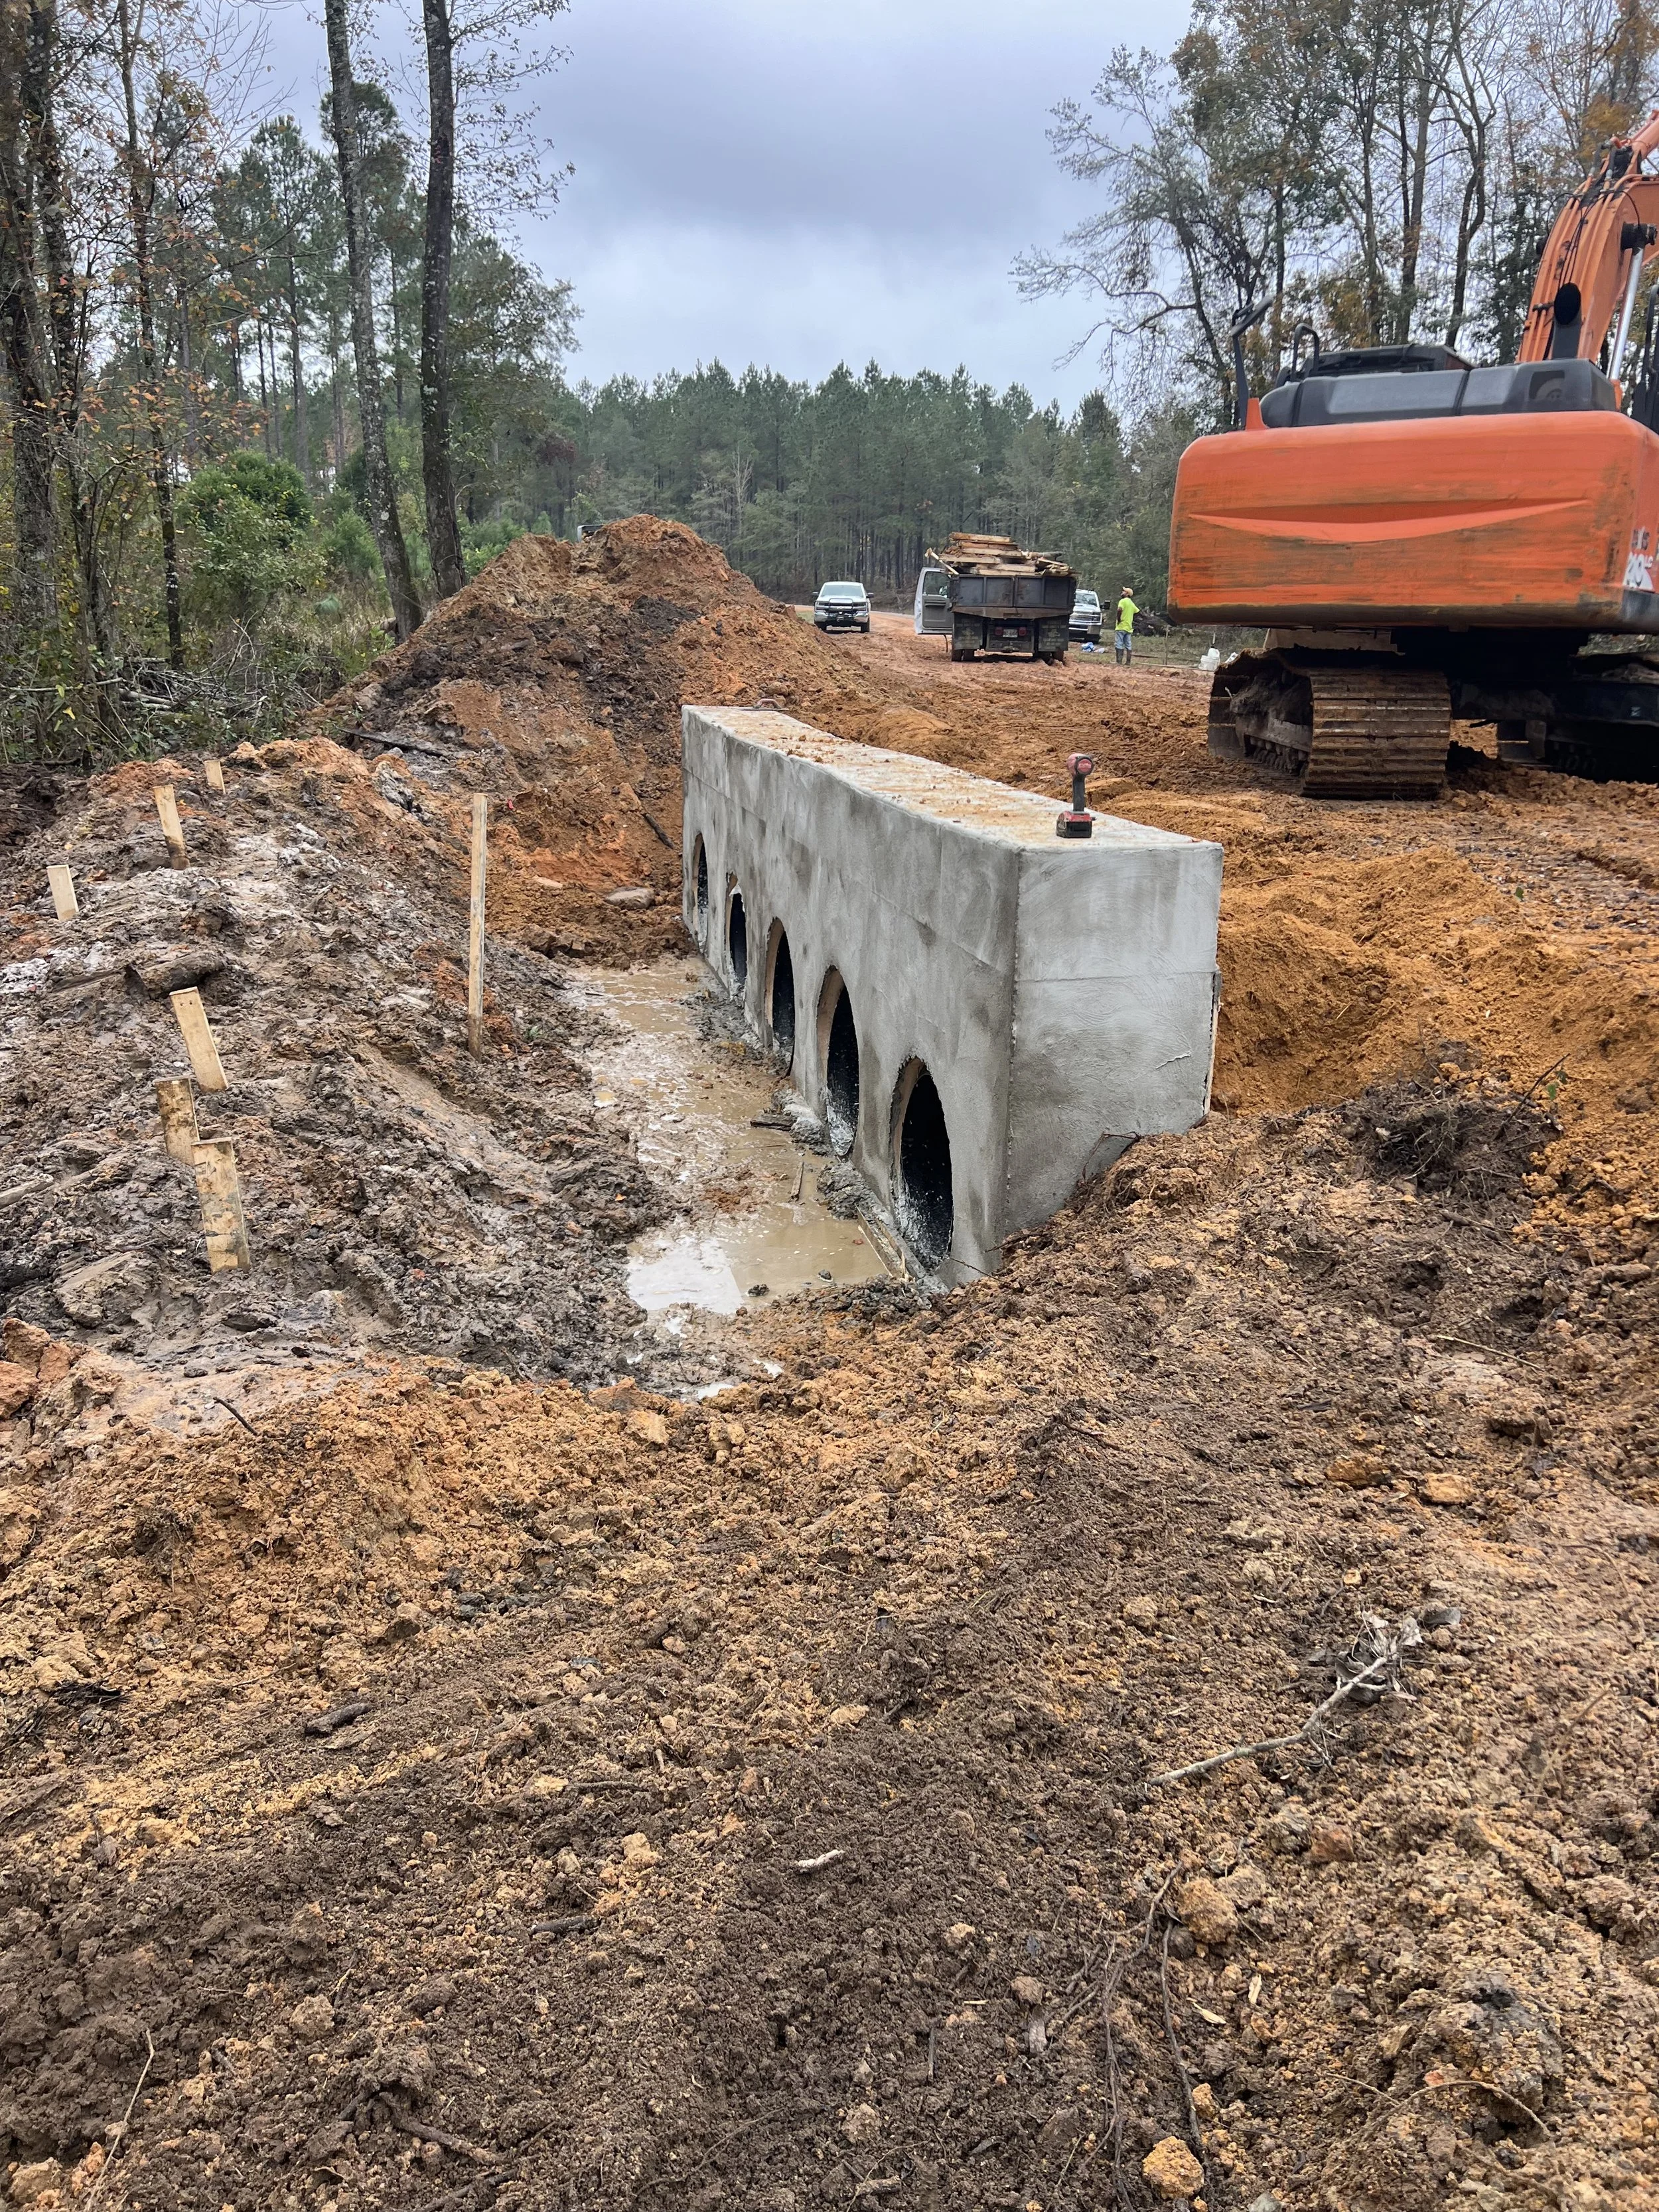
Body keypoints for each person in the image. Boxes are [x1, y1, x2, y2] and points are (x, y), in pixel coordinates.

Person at [1114, 586, 1139, 666]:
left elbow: (1119, 610)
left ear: (1127, 594)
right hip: (1129, 627)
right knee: (1128, 644)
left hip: (1121, 626)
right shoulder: (1132, 603)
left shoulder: (1122, 601)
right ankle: (1128, 662)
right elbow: (1137, 612)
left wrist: (1119, 619)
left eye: (1124, 591)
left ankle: (1119, 661)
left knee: (1119, 643)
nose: (1122, 592)